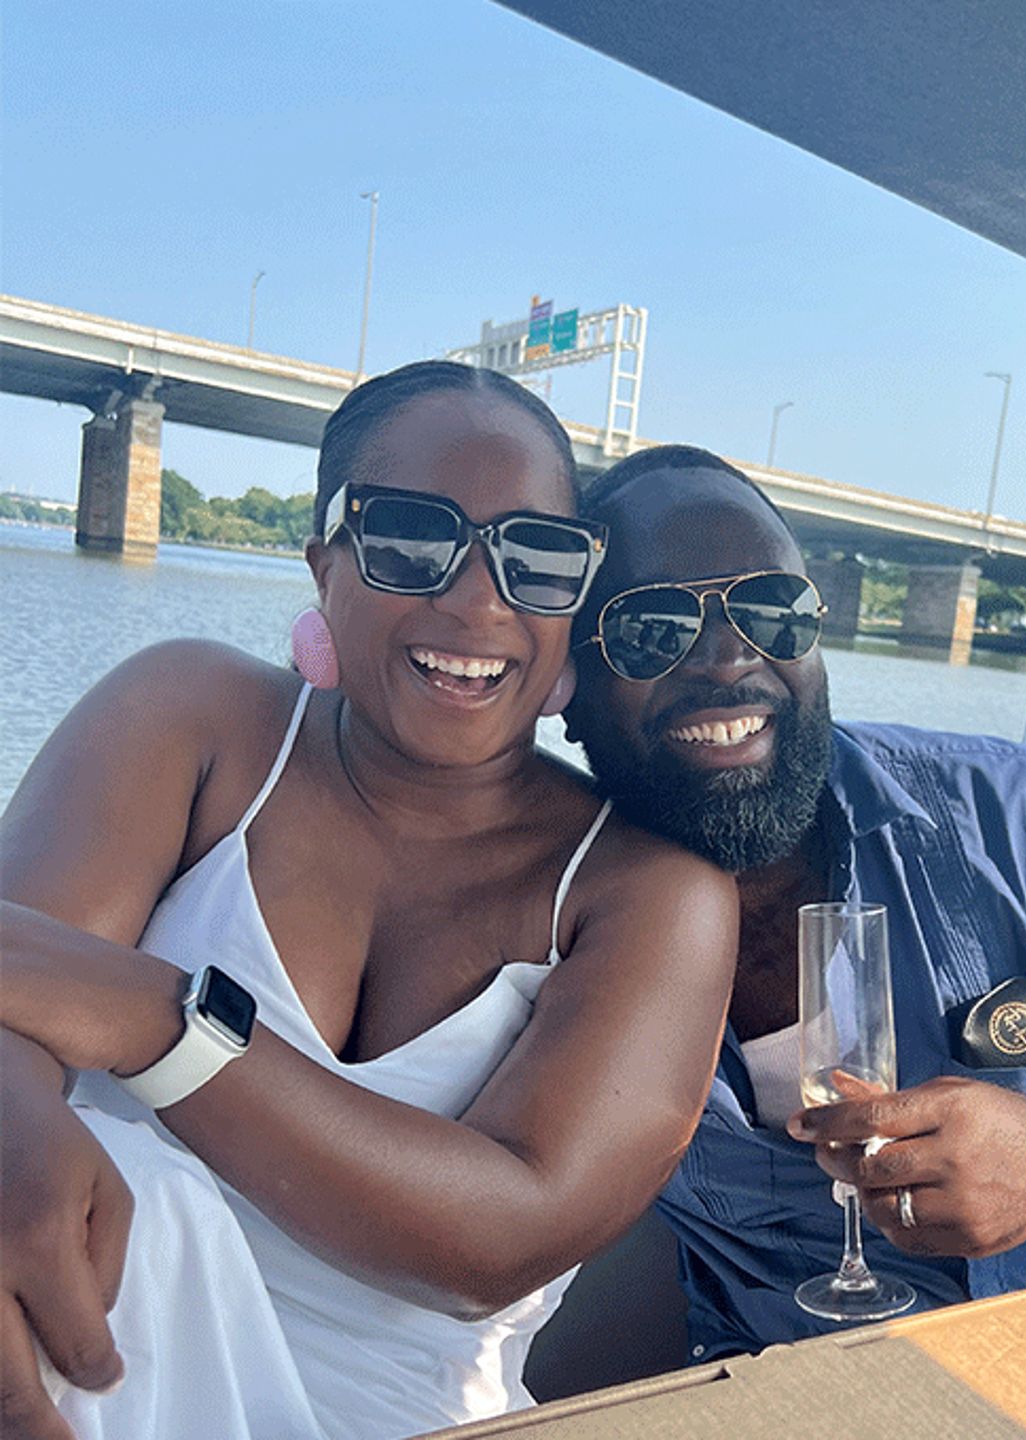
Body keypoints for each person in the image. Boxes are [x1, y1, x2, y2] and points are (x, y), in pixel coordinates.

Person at [0, 367, 737, 1440]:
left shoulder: (645, 892)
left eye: (534, 558)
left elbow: (505, 1237)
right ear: (323, 564)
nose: (478, 598)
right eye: (408, 539)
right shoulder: (196, 720)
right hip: (89, 1347)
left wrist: (163, 1022)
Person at [562, 444, 1026, 1360]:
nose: (727, 658)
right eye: (651, 627)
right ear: (568, 688)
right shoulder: (545, 912)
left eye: (773, 612)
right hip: (805, 1393)